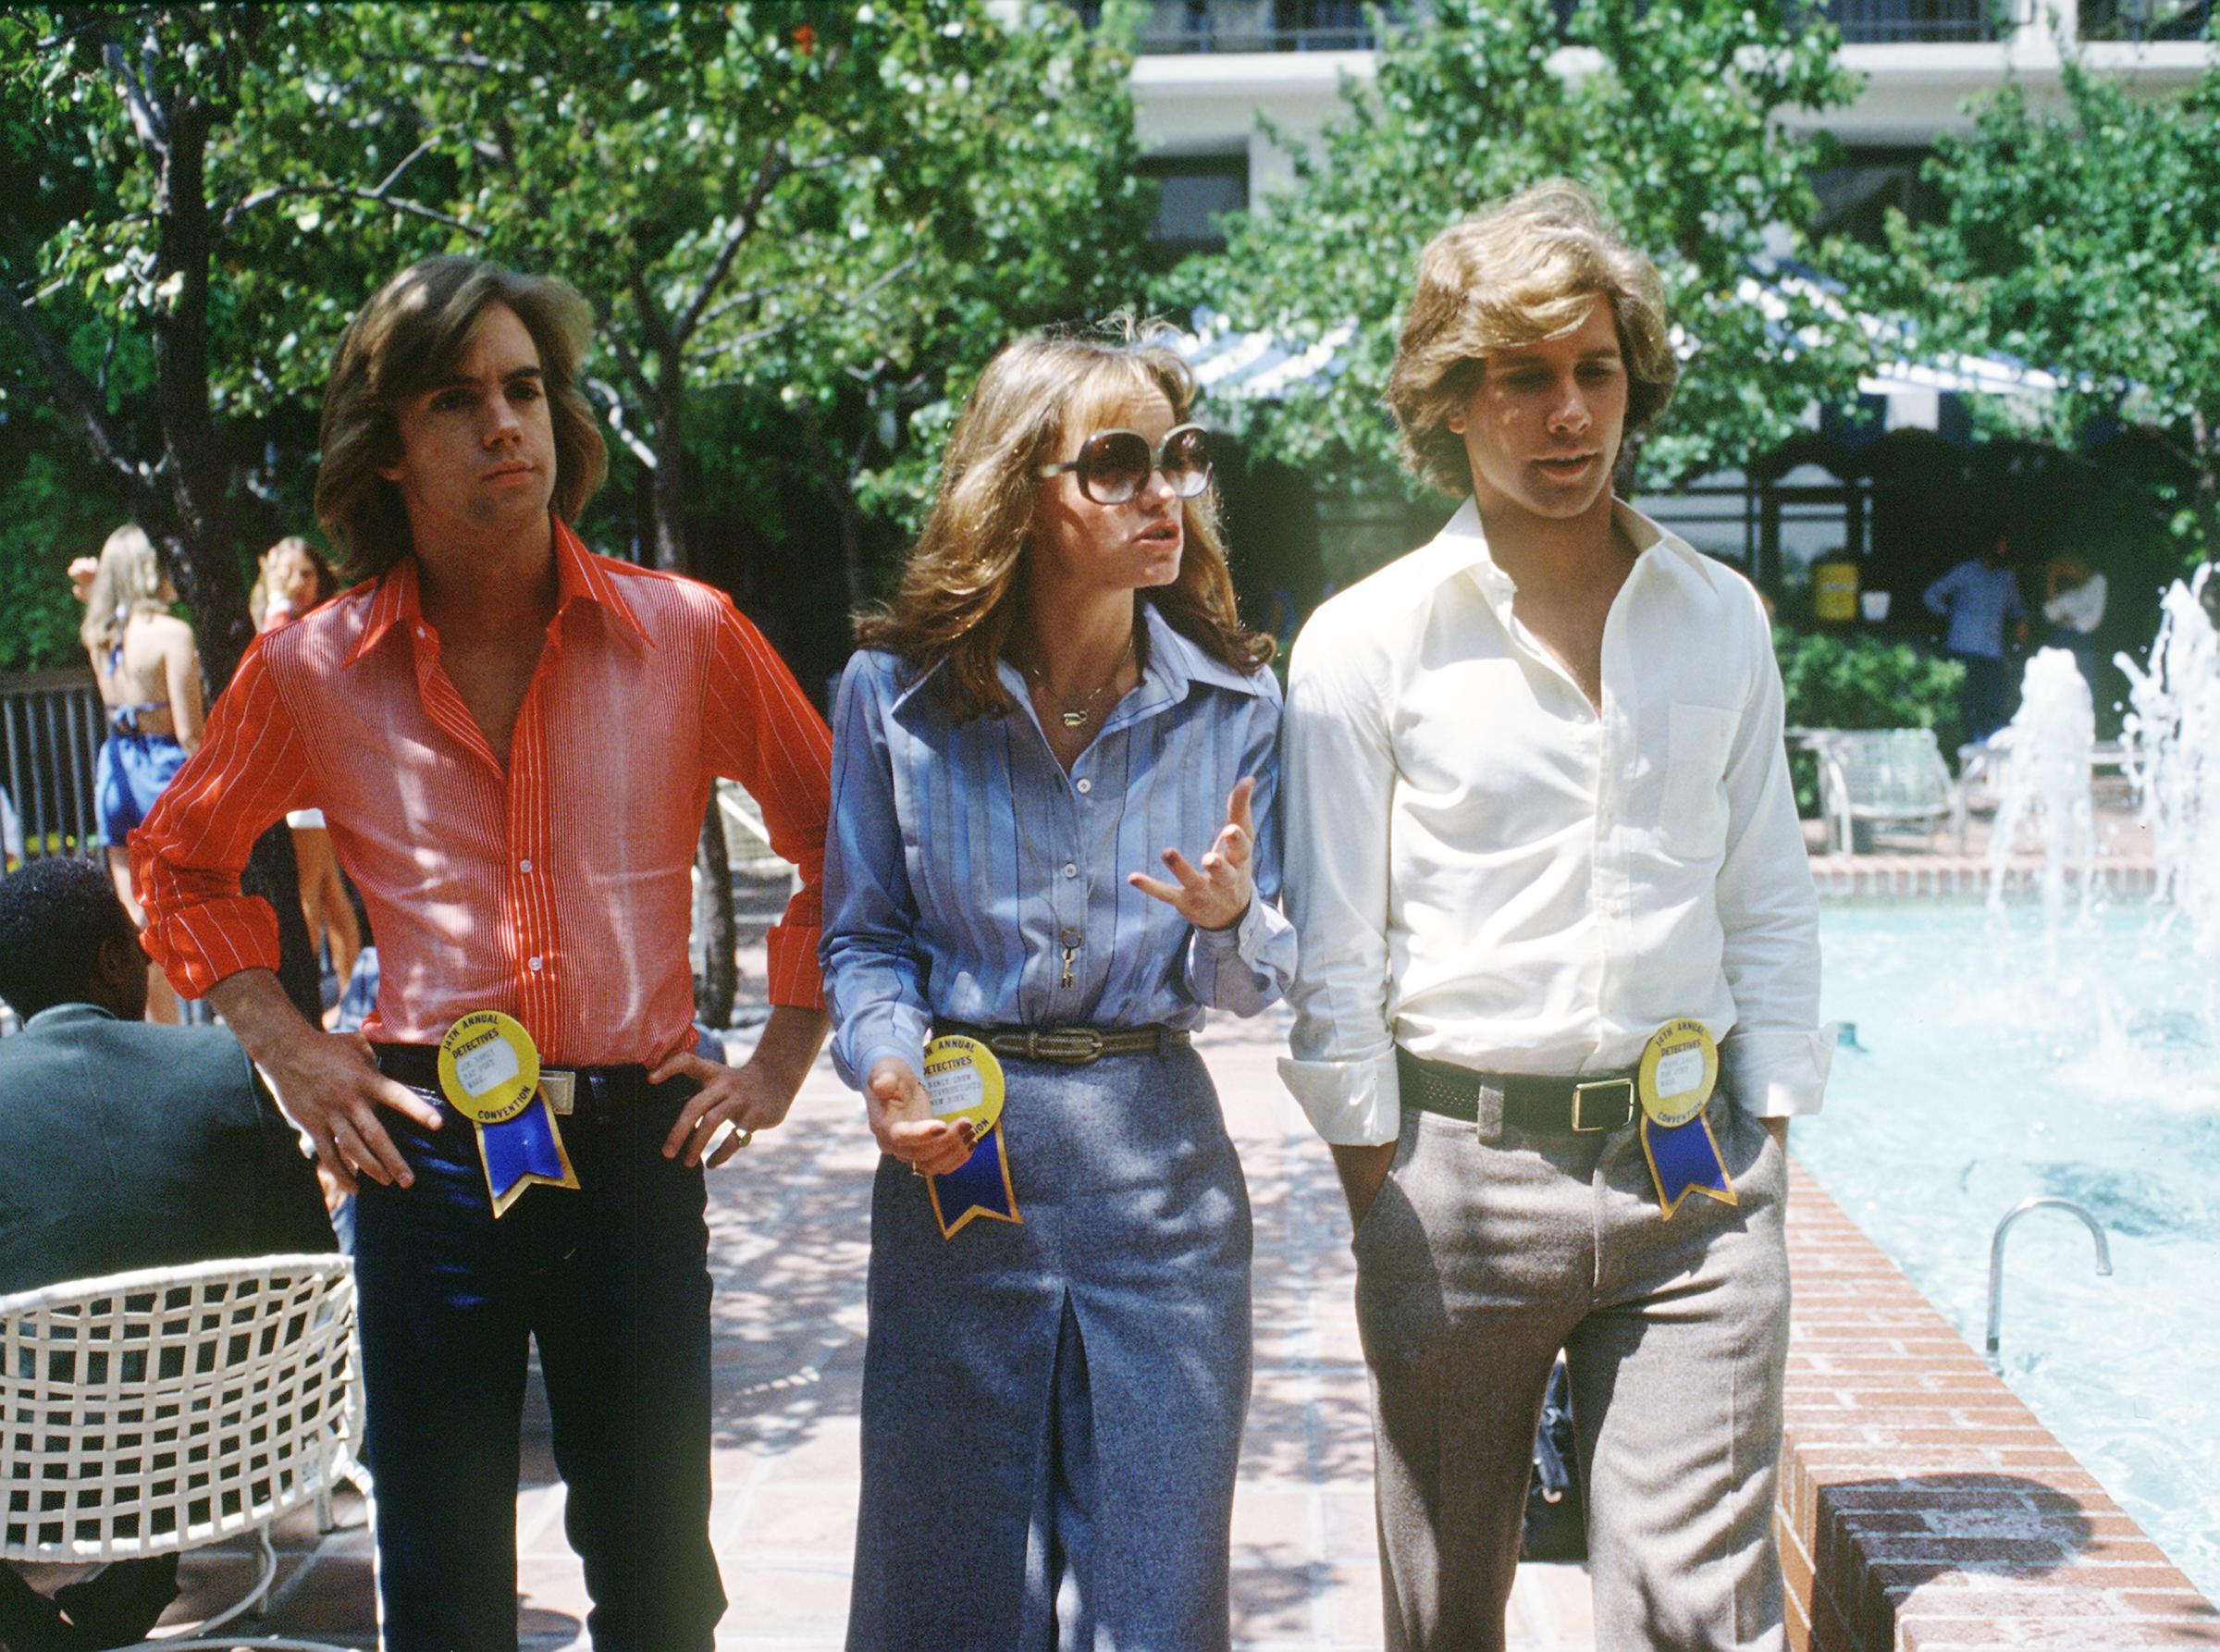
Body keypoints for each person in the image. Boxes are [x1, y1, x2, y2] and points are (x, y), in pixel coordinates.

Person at [131, 255, 835, 1652]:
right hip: (420, 1157)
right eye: (457, 400)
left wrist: (779, 1060)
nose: (506, 424)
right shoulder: (310, 666)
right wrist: (290, 1044)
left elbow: (847, 840)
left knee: (659, 1583)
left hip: (638, 1151)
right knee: (444, 1584)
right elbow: (176, 857)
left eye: (525, 390)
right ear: (385, 447)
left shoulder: (684, 633)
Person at [1277, 183, 1829, 1652]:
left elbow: (1765, 891)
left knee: (1693, 1615)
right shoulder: (1366, 643)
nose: (1569, 412)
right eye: (1523, 378)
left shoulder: (1720, 616)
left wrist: (1766, 1128)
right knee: (1446, 1613)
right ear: (1452, 401)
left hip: (1694, 1179)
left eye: (1595, 371)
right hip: (1460, 1174)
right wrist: (1381, 1177)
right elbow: (1335, 948)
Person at [821, 324, 1294, 1650]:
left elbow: (1260, 982)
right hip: (961, 1166)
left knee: (1157, 1601)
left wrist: (1233, 916)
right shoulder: (891, 698)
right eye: (1121, 464)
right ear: (1018, 489)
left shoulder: (1243, 705)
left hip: (1162, 1172)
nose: (1167, 494)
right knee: (947, 1598)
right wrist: (888, 1065)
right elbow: (864, 941)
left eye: (1182, 459)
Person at [0, 855, 334, 1650]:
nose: (150, 955)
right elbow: (310, 1271)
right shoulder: (221, 1069)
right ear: (111, 961)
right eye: (133, 940)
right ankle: (141, 1580)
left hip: (27, 1483)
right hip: (226, 1464)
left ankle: (26, 1623)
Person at [71, 524, 202, 1024]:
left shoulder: (100, 637)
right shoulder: (173, 634)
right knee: (195, 910)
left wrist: (91, 588)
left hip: (117, 769)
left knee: (137, 917)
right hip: (165, 774)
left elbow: (99, 607)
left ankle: (161, 1035)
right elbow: (191, 734)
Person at [250, 536, 363, 1011]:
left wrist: (276, 601)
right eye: (287, 572)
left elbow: (273, 660)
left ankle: (310, 1006)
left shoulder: (319, 622)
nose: (298, 583)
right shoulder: (275, 617)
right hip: (300, 772)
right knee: (331, 892)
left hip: (312, 771)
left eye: (307, 573)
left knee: (307, 894)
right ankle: (353, 995)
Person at [1923, 529, 2029, 745]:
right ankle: (1968, 751)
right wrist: (1951, 615)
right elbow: (1931, 595)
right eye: (2000, 544)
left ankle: (1989, 751)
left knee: (1992, 703)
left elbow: (2016, 608)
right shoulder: (1966, 572)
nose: (2004, 549)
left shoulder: (2005, 577)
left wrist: (2022, 622)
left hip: (1992, 651)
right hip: (1965, 647)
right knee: (1968, 704)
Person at [2041, 552, 2108, 693]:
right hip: (2061, 640)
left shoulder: (2098, 581)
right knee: (2056, 688)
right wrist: (2051, 578)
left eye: (2068, 566)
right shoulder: (2068, 592)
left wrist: (2070, 620)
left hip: (2082, 642)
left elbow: (2094, 619)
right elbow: (2050, 614)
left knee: (2082, 688)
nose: (2065, 571)